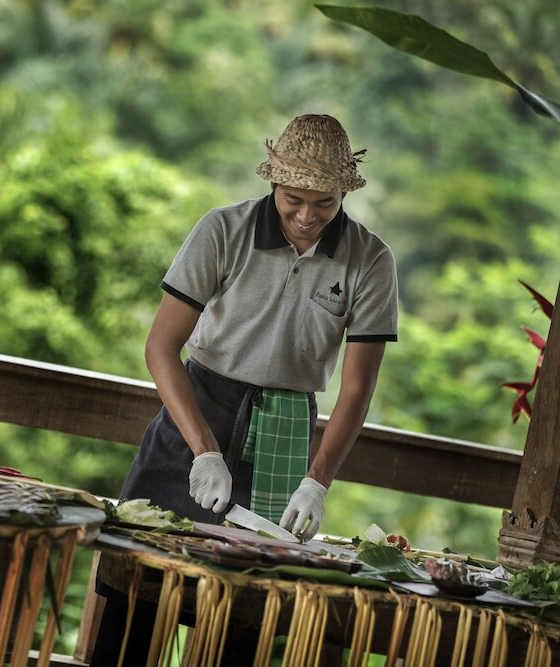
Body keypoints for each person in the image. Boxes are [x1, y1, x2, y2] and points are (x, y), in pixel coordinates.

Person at [90, 113, 398, 665]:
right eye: (293, 199)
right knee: (137, 596)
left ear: (345, 194)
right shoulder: (222, 231)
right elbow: (161, 347)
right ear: (272, 183)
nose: (306, 216)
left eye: (324, 203)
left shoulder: (371, 260)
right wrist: (205, 449)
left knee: (243, 616)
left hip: (286, 426)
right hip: (196, 411)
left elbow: (356, 390)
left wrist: (317, 482)